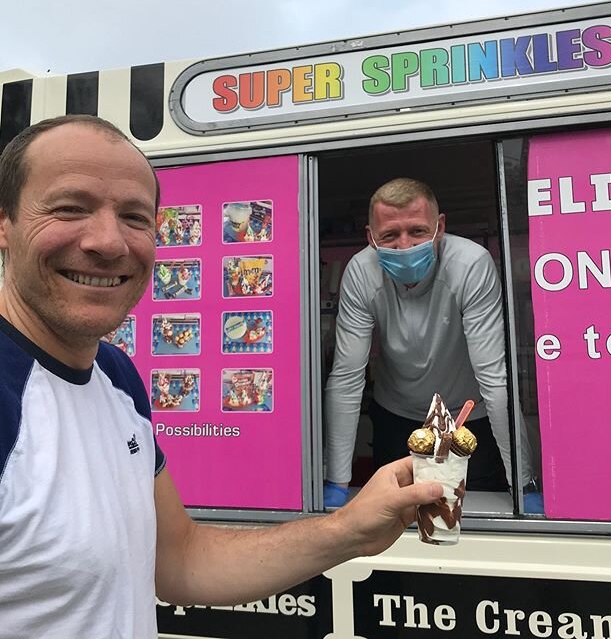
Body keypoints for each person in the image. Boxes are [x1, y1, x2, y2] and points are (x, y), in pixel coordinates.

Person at [0, 116, 444, 638]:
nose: (108, 241)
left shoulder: (115, 376)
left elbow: (179, 559)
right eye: (70, 208)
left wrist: (347, 530)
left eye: (135, 217)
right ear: (4, 224)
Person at [323, 177, 537, 508]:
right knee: (395, 518)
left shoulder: (470, 265)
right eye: (389, 236)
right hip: (396, 415)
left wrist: (524, 481)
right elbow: (347, 377)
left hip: (468, 417)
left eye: (418, 231)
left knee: (472, 514)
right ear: (370, 237)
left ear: (440, 227)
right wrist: (337, 480)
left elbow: (494, 378)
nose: (405, 246)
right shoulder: (360, 272)